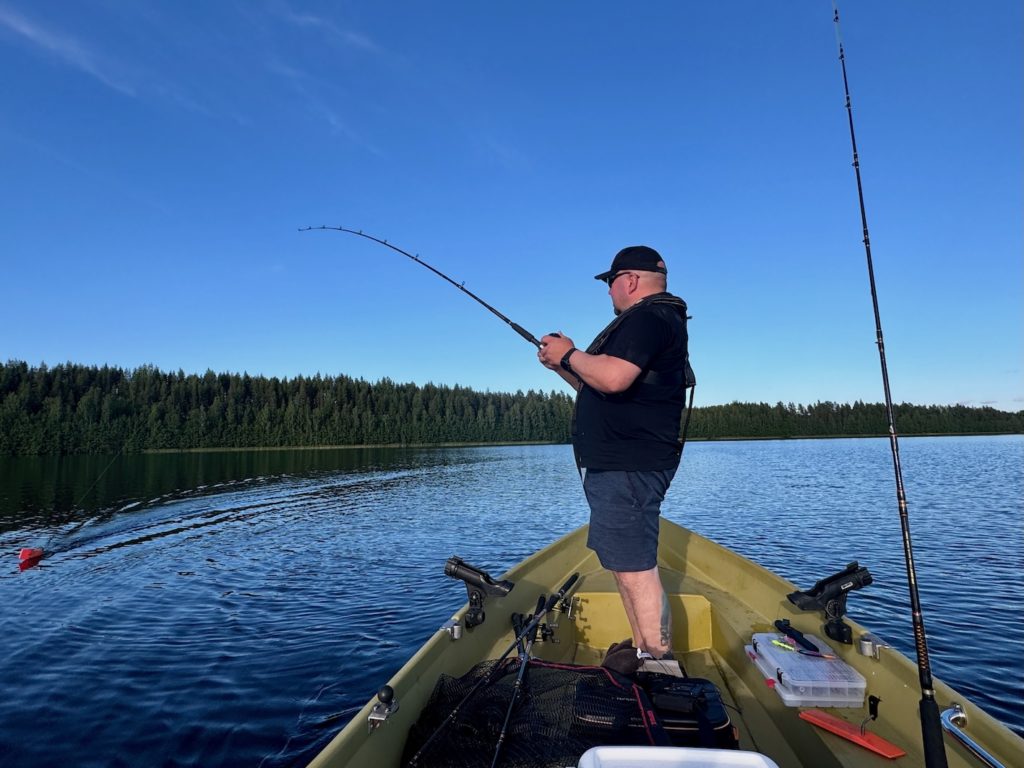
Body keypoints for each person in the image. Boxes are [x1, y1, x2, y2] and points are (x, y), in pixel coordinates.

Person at [537, 245, 691, 662]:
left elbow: (614, 378)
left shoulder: (648, 318)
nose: (608, 291)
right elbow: (599, 385)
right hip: (621, 466)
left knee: (637, 571)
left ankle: (658, 664)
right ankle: (644, 650)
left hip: (629, 466)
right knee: (625, 566)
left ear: (631, 280)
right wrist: (563, 366)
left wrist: (569, 352)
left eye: (610, 282)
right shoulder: (656, 320)